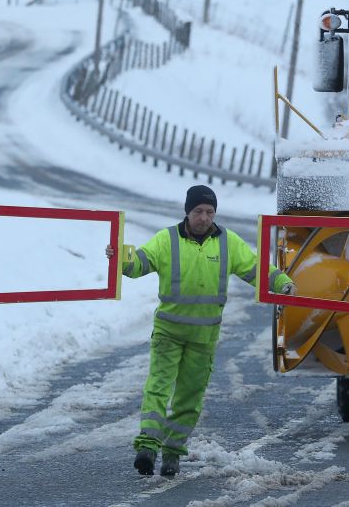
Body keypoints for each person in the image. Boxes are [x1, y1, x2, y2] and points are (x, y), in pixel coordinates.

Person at [105, 185, 295, 477]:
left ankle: (172, 453)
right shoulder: (167, 240)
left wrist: (281, 282)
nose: (204, 217)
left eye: (209, 212)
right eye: (198, 211)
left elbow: (256, 269)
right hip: (168, 333)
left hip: (203, 338)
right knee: (158, 387)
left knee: (189, 399)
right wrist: (119, 256)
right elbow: (139, 264)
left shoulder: (227, 243)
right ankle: (147, 447)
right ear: (187, 212)